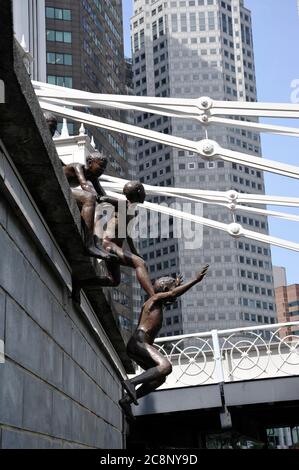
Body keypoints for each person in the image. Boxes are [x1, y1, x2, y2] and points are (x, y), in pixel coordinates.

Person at [119, 264, 209, 420]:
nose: (174, 292)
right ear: (166, 289)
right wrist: (195, 280)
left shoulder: (156, 302)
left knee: (159, 377)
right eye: (172, 288)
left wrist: (176, 284)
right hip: (139, 342)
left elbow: (172, 295)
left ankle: (127, 400)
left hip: (137, 345)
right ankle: (131, 383)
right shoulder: (154, 298)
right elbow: (173, 293)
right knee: (166, 366)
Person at [77, 181, 155, 298]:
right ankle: (153, 296)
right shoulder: (123, 204)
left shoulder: (132, 210)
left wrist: (135, 252)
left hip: (114, 247)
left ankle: (80, 282)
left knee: (114, 280)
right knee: (140, 264)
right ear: (139, 191)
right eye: (143, 191)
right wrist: (102, 196)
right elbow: (103, 198)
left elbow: (127, 234)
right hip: (109, 246)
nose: (145, 194)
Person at [63, 152, 117, 260]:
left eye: (104, 168)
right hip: (61, 188)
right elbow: (84, 185)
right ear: (90, 163)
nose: (102, 170)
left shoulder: (92, 177)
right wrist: (99, 198)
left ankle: (97, 245)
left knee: (104, 208)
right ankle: (88, 245)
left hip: (67, 191)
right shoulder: (77, 167)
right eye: (100, 166)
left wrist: (116, 205)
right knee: (89, 198)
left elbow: (102, 194)